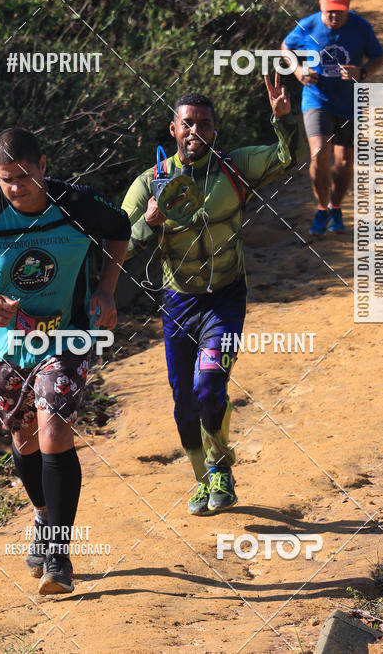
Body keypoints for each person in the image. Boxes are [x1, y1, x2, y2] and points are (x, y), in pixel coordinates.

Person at [0, 127, 130, 594]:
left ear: (43, 164)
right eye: (7, 179)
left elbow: (120, 227)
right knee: (24, 440)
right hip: (8, 345)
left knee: (55, 432)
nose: (17, 187)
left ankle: (60, 558)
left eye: (25, 176)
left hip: (67, 338)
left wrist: (105, 289)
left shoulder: (76, 203)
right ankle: (44, 518)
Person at [121, 77, 305, 516]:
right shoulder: (150, 182)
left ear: (215, 130)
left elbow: (288, 158)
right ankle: (202, 480)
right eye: (187, 123)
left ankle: (222, 469)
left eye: (204, 123)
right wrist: (150, 219)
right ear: (173, 129)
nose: (195, 131)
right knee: (183, 401)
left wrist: (284, 121)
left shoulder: (234, 169)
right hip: (179, 301)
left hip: (225, 297)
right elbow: (121, 242)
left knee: (209, 384)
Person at [281, 0, 383, 235]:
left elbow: (378, 57)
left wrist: (362, 72)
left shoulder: (361, 27)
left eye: (339, 10)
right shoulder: (309, 25)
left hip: (349, 103)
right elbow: (286, 47)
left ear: (348, 7)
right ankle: (321, 209)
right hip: (316, 100)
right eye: (329, 10)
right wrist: (298, 70)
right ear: (321, 6)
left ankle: (335, 206)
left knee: (345, 161)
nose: (334, 15)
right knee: (319, 152)